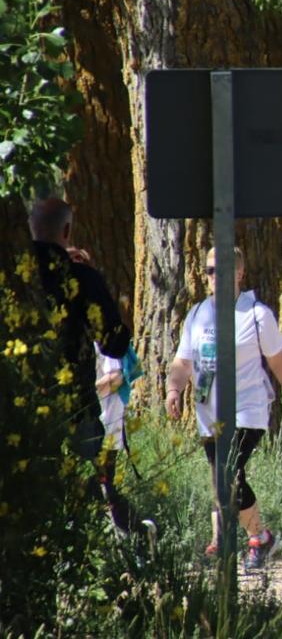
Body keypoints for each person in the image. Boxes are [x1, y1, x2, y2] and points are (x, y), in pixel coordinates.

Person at [168, 245, 282, 569]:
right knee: (220, 478)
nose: (216, 276)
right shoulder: (198, 314)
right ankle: (255, 538)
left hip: (248, 410)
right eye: (210, 270)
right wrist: (174, 389)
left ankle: (235, 540)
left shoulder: (256, 314)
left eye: (224, 269)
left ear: (240, 273)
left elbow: (279, 363)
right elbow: (182, 361)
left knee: (229, 473)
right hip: (209, 413)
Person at [28, 199, 138, 536]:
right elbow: (113, 342)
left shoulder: (17, 274)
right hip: (75, 406)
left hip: (20, 408)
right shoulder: (80, 278)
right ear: (67, 231)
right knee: (87, 491)